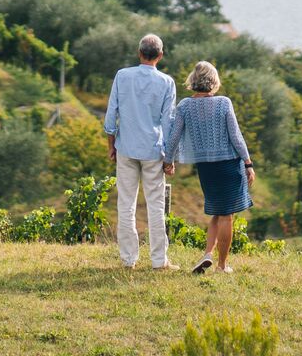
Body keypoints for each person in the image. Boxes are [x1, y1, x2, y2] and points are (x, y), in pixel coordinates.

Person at [162, 60, 252, 274]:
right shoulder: (223, 103)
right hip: (229, 165)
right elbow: (236, 136)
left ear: (193, 80)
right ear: (214, 81)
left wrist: (168, 161)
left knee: (217, 212)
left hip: (206, 169)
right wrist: (248, 162)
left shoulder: (184, 105)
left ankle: (207, 255)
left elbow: (174, 136)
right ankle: (222, 266)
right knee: (227, 215)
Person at [103, 32, 178, 269]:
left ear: (139, 53)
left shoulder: (122, 76)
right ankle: (158, 261)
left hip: (126, 147)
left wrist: (111, 145)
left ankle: (128, 259)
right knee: (155, 206)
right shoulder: (167, 83)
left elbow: (111, 114)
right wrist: (170, 157)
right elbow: (168, 122)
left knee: (126, 204)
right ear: (160, 55)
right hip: (153, 151)